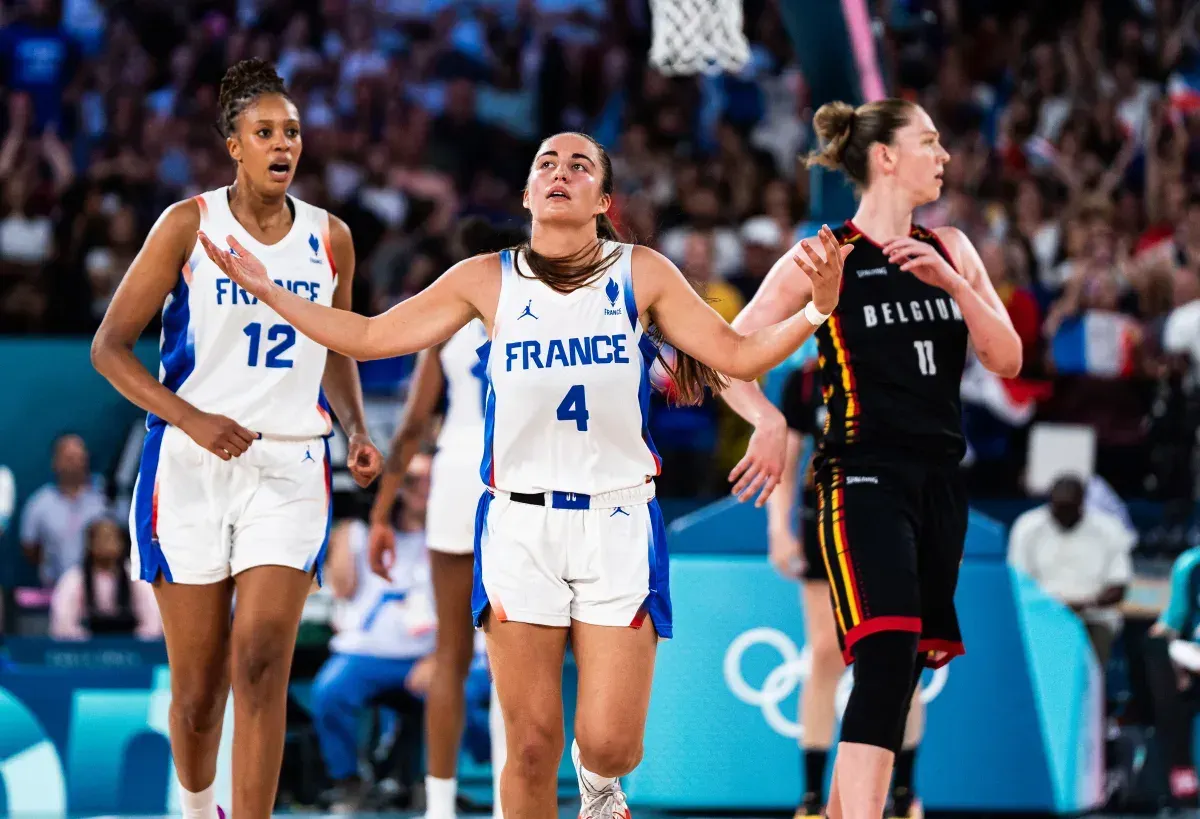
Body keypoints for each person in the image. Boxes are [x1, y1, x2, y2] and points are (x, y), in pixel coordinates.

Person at [195, 130, 850, 818]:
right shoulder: (484, 277)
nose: (561, 172)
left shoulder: (643, 272)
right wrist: (267, 289)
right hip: (519, 522)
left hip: (617, 518)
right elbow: (366, 335)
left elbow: (738, 357)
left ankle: (599, 785)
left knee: (611, 742)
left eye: (580, 165)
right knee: (529, 745)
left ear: (603, 198)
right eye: (547, 164)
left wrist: (817, 308)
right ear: (528, 193)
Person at [90, 59, 383, 819]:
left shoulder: (332, 238)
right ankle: (198, 809)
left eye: (291, 132)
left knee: (259, 659)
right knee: (196, 692)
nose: (283, 144)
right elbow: (110, 347)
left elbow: (339, 343)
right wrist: (187, 415)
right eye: (265, 132)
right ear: (233, 145)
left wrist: (354, 426)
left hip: (289, 462)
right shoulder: (186, 224)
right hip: (186, 464)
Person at [721, 99, 1022, 819]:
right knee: (883, 662)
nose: (945, 154)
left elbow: (1006, 358)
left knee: (902, 672)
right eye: (930, 140)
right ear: (885, 156)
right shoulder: (825, 255)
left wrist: (954, 286)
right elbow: (724, 356)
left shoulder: (953, 247)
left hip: (942, 484)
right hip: (861, 478)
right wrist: (764, 417)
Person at [366, 217, 524, 819]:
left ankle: (437, 808)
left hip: (458, 477)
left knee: (452, 656)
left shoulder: (447, 319)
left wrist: (382, 514)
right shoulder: (540, 311)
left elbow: (411, 429)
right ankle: (516, 802)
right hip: (517, 478)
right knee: (518, 654)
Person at [768, 363, 925, 819]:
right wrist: (778, 528)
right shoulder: (805, 380)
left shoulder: (897, 366)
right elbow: (788, 455)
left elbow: (932, 454)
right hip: (824, 524)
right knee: (823, 655)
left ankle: (902, 795)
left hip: (892, 525)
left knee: (899, 658)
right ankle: (813, 800)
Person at [313, 453, 437, 812]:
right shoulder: (359, 532)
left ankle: (429, 781)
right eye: (412, 481)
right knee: (330, 691)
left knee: (461, 692)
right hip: (363, 653)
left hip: (424, 654)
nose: (423, 491)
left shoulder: (447, 537)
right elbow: (343, 590)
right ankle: (349, 779)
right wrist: (344, 537)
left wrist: (438, 657)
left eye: (430, 481)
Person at [1007, 474, 1134, 669]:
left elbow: (1118, 587)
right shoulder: (1027, 526)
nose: (1063, 515)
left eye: (1069, 508)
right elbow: (1016, 582)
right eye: (1059, 508)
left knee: (1088, 667)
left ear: (1082, 502)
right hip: (1040, 616)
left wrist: (1083, 604)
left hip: (1092, 618)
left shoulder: (1109, 528)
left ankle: (1092, 695)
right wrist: (1051, 605)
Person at [20, 432, 110, 588]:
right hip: (55, 590)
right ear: (55, 462)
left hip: (103, 593)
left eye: (80, 457)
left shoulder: (106, 497)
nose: (76, 463)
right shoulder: (40, 503)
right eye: (69, 458)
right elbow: (30, 548)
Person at [50, 517, 162, 640]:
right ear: (90, 544)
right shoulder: (73, 579)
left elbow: (153, 623)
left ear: (122, 544)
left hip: (130, 647)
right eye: (102, 538)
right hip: (85, 651)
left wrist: (132, 642)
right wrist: (93, 644)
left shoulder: (138, 577)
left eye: (112, 538)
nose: (107, 543)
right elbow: (62, 625)